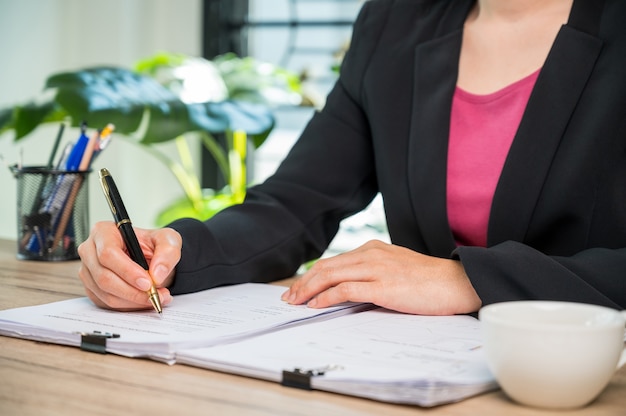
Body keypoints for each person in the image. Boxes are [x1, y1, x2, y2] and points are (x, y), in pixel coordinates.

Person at [77, 0, 626, 315]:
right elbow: (295, 204)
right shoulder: (395, 25)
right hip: (411, 374)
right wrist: (173, 251)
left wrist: (469, 281)